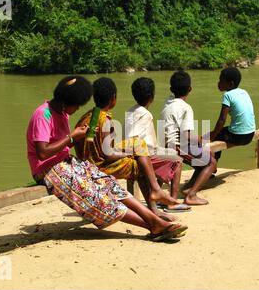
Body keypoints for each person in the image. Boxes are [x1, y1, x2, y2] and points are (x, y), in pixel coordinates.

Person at [26, 75, 187, 242]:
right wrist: (73, 137)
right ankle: (153, 224)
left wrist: (77, 138)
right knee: (96, 197)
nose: (77, 109)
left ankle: (155, 218)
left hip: (67, 162)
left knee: (110, 184)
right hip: (47, 169)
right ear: (67, 101)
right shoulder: (43, 115)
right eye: (77, 105)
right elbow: (42, 153)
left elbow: (64, 145)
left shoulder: (62, 112)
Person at [74, 77, 180, 222]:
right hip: (100, 167)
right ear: (113, 99)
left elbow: (83, 148)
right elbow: (108, 155)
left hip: (88, 164)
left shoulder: (87, 117)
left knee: (138, 145)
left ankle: (155, 193)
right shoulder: (105, 121)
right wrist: (127, 153)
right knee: (138, 164)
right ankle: (154, 203)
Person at [125, 77, 191, 213]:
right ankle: (171, 201)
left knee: (166, 154)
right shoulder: (146, 115)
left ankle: (157, 200)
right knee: (177, 160)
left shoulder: (130, 111)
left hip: (135, 152)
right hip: (143, 154)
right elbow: (137, 139)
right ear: (152, 97)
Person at [160, 71, 217, 205]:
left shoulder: (167, 102)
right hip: (176, 147)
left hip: (164, 143)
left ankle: (189, 187)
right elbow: (187, 135)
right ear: (190, 89)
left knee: (203, 155)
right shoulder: (186, 108)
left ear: (171, 89)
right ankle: (191, 195)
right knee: (211, 162)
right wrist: (203, 141)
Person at [209, 67, 256, 163]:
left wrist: (212, 136)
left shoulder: (228, 95)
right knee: (219, 132)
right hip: (250, 135)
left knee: (216, 135)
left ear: (230, 84)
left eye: (221, 81)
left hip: (238, 137)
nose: (218, 83)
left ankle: (212, 166)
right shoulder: (244, 92)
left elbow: (222, 119)